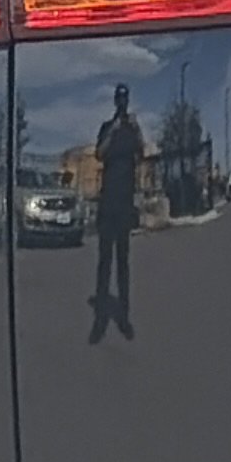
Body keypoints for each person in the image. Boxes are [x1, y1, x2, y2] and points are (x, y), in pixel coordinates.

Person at [89, 82, 148, 340]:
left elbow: (143, 154)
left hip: (125, 203)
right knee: (104, 261)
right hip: (108, 201)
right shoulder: (107, 128)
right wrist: (112, 131)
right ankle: (100, 319)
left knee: (123, 261)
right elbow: (99, 155)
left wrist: (137, 129)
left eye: (125, 97)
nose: (122, 102)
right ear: (115, 101)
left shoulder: (132, 129)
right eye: (119, 98)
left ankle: (124, 317)